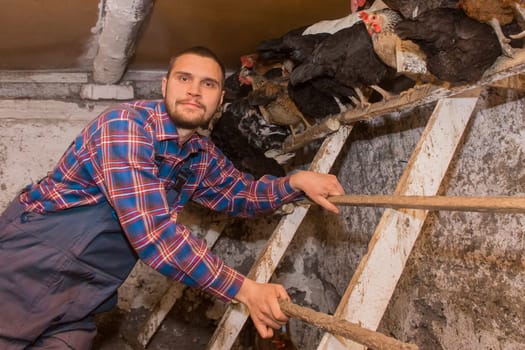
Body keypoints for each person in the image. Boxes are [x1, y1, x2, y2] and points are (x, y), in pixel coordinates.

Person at [0, 46, 345, 349]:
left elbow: (240, 193)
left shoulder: (198, 152)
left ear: (220, 99)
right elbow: (153, 234)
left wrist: (295, 182)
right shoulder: (126, 127)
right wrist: (244, 290)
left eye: (208, 84)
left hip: (91, 285)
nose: (195, 91)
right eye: (184, 79)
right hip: (34, 264)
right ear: (164, 86)